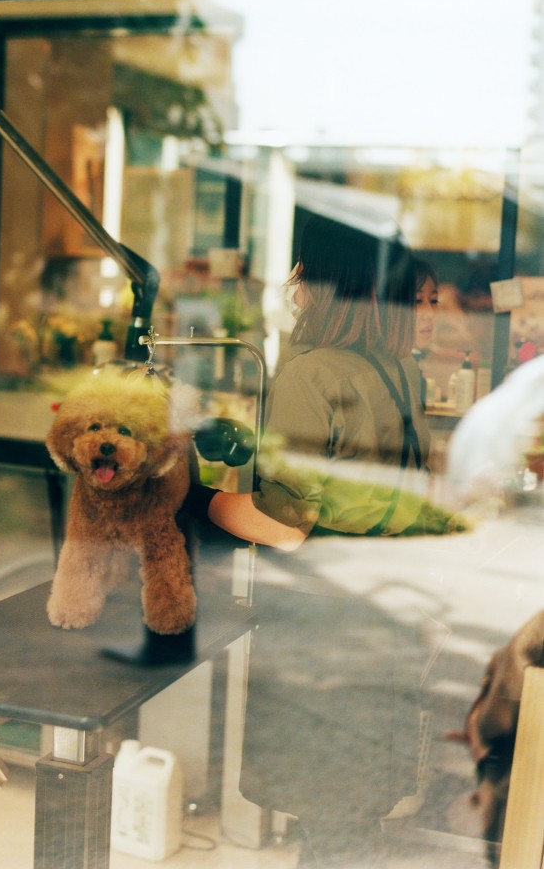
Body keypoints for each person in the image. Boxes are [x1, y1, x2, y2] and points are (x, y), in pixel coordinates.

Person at [182, 213, 466, 867]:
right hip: (388, 620)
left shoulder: (310, 374)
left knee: (331, 828)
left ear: (327, 282)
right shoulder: (400, 371)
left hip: (325, 637)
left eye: (302, 268)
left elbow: (284, 525)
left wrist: (202, 500)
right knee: (352, 824)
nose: (292, 281)